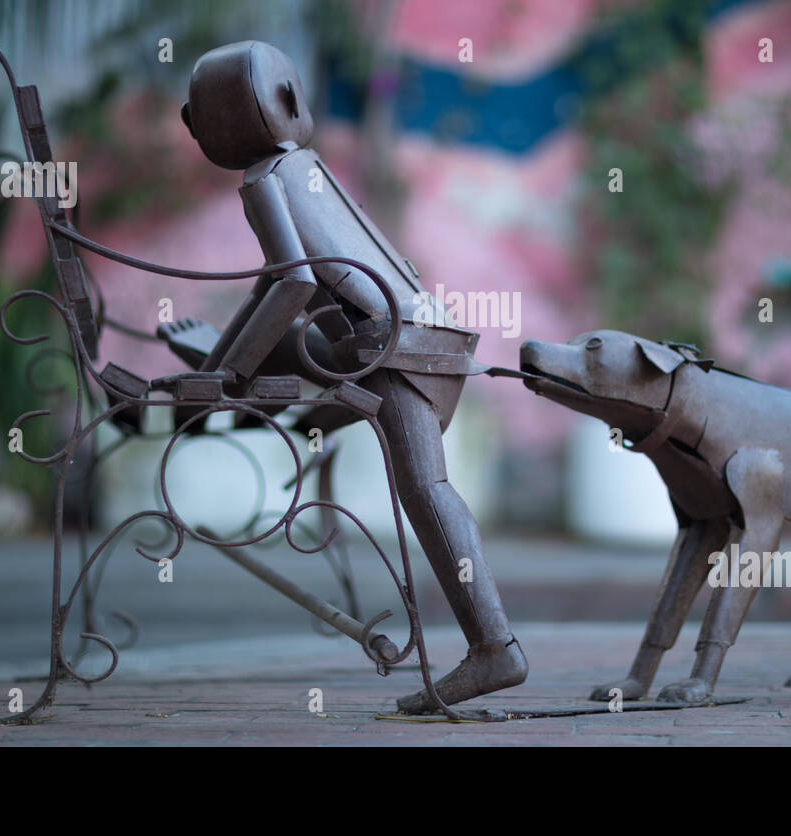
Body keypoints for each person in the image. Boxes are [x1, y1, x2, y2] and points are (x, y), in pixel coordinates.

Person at [171, 40, 526, 713]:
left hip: (389, 351)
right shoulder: (302, 165)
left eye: (197, 114)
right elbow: (277, 289)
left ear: (215, 121)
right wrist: (222, 364)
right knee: (415, 475)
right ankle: (491, 647)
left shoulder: (263, 182)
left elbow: (293, 286)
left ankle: (495, 649)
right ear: (284, 104)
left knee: (427, 489)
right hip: (412, 337)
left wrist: (224, 374)